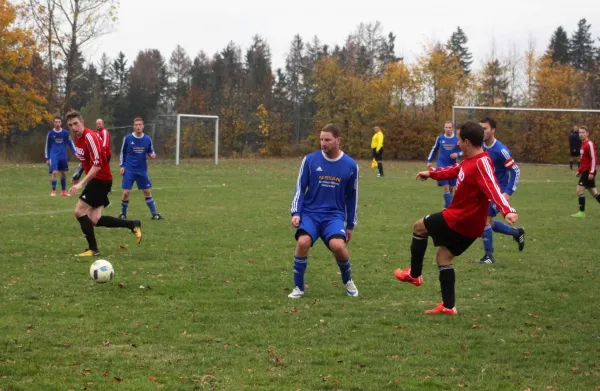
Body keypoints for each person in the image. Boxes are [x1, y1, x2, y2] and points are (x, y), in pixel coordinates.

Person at [394, 121, 518, 315]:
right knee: (444, 257)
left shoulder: (481, 163)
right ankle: (448, 306)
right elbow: (455, 170)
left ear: (467, 142)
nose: (457, 143)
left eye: (459, 140)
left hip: (461, 219)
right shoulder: (470, 160)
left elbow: (493, 187)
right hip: (468, 225)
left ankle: (415, 275)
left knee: (419, 227)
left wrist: (507, 209)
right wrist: (432, 173)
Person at [288, 123, 359, 298]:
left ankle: (348, 281)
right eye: (321, 139)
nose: (323, 143)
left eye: (327, 140)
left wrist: (350, 224)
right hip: (310, 214)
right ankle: (298, 287)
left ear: (338, 140)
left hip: (334, 216)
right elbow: (300, 189)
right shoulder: (310, 160)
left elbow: (352, 197)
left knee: (338, 246)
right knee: (303, 242)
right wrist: (296, 212)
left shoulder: (350, 165)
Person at [65, 111, 142, 256]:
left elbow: (98, 165)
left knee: (79, 211)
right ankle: (132, 224)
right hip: (97, 179)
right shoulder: (77, 137)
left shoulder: (90, 137)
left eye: (75, 123)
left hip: (100, 179)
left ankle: (93, 249)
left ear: (82, 122)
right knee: (94, 219)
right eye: (70, 125)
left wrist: (80, 183)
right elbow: (85, 161)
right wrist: (78, 174)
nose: (73, 127)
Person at [479, 117, 525, 264]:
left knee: (484, 221)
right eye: (481, 128)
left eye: (485, 128)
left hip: (498, 191)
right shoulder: (480, 146)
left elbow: (515, 171)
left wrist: (507, 193)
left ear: (493, 130)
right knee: (488, 223)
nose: (482, 131)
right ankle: (516, 233)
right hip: (486, 189)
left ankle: (489, 256)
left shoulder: (501, 150)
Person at [118, 117, 163, 220]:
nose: (138, 126)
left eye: (140, 125)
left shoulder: (147, 139)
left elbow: (151, 151)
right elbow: (123, 153)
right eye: (136, 125)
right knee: (126, 192)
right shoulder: (128, 138)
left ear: (143, 126)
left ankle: (155, 214)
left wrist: (152, 155)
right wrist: (122, 166)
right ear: (134, 126)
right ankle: (123, 214)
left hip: (142, 170)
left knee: (147, 191)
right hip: (129, 169)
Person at [427, 121, 462, 207]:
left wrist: (457, 154)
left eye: (449, 128)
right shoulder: (440, 138)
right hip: (441, 165)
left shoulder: (457, 139)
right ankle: (447, 209)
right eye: (446, 127)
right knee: (446, 187)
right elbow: (434, 149)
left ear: (452, 128)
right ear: (444, 128)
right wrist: (429, 160)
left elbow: (463, 151)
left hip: (452, 166)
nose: (448, 129)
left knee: (451, 190)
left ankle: (448, 206)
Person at [571, 125, 600, 217]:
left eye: (583, 132)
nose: (581, 134)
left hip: (588, 171)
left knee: (579, 190)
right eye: (579, 132)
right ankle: (581, 212)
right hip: (585, 170)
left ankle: (581, 212)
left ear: (587, 133)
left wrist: (591, 172)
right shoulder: (583, 144)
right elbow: (584, 160)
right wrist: (579, 170)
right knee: (594, 192)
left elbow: (594, 159)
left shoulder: (589, 144)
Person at [45, 117, 76, 196]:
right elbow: (47, 146)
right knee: (54, 172)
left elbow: (70, 143)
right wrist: (47, 158)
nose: (57, 123)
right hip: (53, 155)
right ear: (54, 123)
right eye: (56, 122)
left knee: (63, 173)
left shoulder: (65, 133)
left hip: (63, 155)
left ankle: (63, 191)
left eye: (59, 122)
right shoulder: (51, 133)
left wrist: (75, 152)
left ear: (61, 123)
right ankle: (54, 191)